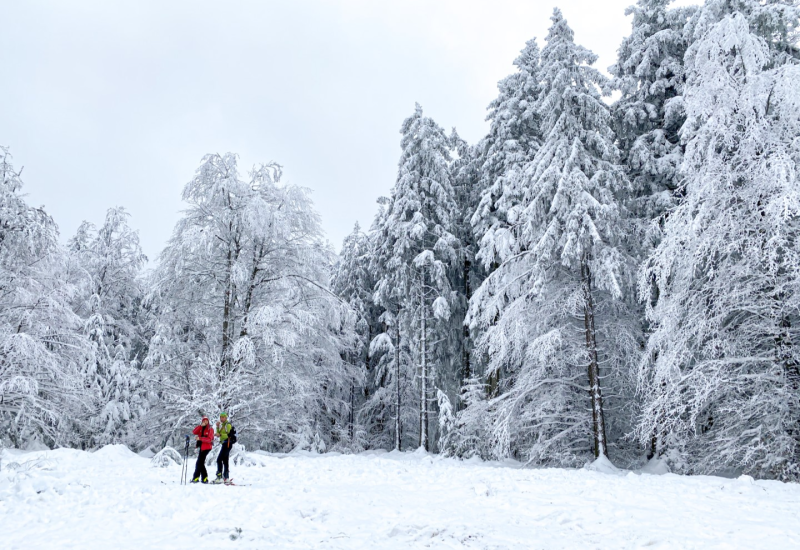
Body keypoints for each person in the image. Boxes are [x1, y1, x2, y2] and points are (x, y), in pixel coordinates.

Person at [191, 416, 214, 483]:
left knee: (200, 463)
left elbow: (209, 439)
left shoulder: (210, 429)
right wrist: (200, 426)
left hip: (207, 447)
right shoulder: (201, 428)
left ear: (208, 421)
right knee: (199, 463)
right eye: (204, 421)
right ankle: (198, 478)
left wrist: (200, 438)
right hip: (201, 447)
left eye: (206, 421)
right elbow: (194, 432)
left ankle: (203, 478)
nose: (205, 422)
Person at [214, 412, 233, 483]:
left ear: (226, 418)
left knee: (219, 460)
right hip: (224, 444)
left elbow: (229, 435)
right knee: (225, 460)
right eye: (220, 417)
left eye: (223, 417)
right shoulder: (223, 425)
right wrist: (217, 427)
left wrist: (220, 435)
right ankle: (226, 477)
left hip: (227, 443)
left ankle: (219, 477)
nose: (221, 418)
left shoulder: (228, 425)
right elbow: (219, 433)